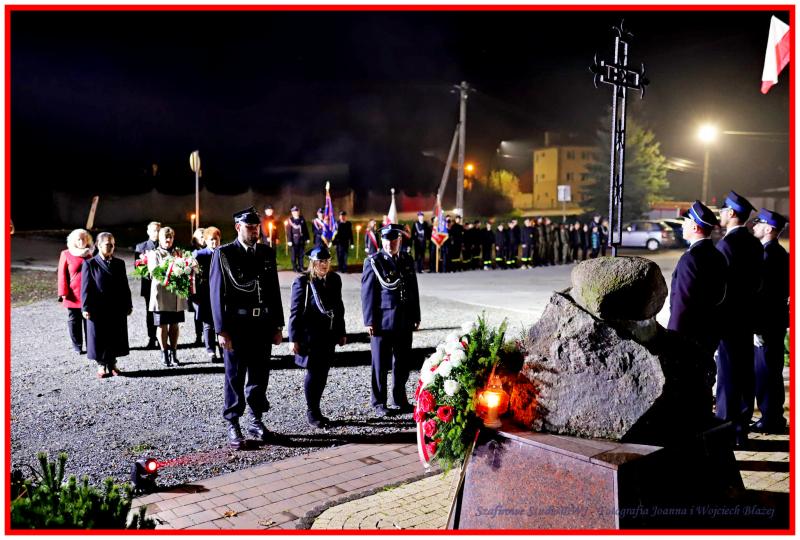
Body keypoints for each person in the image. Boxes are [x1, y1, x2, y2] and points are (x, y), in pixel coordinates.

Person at [210, 207, 285, 449]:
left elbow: (273, 290)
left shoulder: (265, 252)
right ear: (238, 227)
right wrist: (221, 330)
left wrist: (278, 325)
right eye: (249, 227)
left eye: (256, 227)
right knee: (235, 376)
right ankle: (233, 422)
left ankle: (256, 419)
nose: (254, 231)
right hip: (237, 326)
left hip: (261, 324)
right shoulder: (224, 254)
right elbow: (216, 294)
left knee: (259, 375)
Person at [715, 190, 763, 447]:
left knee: (728, 377)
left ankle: (726, 430)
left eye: (723, 210)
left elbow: (720, 288)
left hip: (728, 320)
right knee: (745, 374)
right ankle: (741, 429)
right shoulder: (754, 243)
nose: (720, 215)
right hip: (748, 318)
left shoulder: (726, 245)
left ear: (731, 213)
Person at [361, 224, 421, 417]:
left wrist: (416, 315)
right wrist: (369, 321)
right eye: (386, 241)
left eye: (393, 241)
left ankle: (399, 398)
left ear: (399, 241)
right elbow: (367, 293)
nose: (390, 244)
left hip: (404, 320)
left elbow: (413, 289)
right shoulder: (374, 261)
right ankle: (379, 402)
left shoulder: (406, 259)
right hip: (382, 322)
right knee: (380, 363)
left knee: (402, 363)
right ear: (382, 241)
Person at [288, 246, 346, 428]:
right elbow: (295, 311)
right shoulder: (303, 282)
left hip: (328, 335)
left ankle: (317, 409)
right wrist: (293, 338)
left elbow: (339, 308)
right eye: (320, 261)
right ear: (313, 263)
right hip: (310, 337)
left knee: (323, 374)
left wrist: (341, 332)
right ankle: (312, 411)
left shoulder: (334, 279)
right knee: (314, 373)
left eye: (327, 261)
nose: (324, 264)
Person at [751, 209, 789, 434]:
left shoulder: (768, 254)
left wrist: (758, 327)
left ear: (769, 228)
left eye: (759, 223)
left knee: (766, 372)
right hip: (775, 321)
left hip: (767, 323)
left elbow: (763, 295)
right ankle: (774, 416)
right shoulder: (778, 252)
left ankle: (770, 418)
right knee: (771, 370)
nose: (754, 226)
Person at [81, 232, 132, 378]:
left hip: (116, 307)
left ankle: (112, 364)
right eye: (108, 244)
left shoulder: (119, 263)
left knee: (115, 335)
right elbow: (85, 287)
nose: (111, 247)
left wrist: (128, 304)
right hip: (98, 307)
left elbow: (124, 286)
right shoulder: (90, 264)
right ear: (98, 245)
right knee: (99, 336)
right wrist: (85, 307)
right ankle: (101, 364)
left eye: (113, 245)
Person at [147, 226, 187, 367]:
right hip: (161, 295)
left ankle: (173, 354)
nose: (168, 240)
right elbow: (154, 272)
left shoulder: (179, 253)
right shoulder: (154, 254)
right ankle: (164, 354)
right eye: (166, 237)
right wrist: (170, 268)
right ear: (160, 239)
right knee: (162, 325)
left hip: (176, 295)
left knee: (175, 325)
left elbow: (185, 270)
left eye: (171, 237)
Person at [57, 228, 94, 354]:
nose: (81, 241)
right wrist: (63, 292)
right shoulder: (66, 254)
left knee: (89, 320)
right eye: (78, 239)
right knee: (74, 321)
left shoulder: (90, 254)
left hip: (88, 293)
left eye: (84, 239)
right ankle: (77, 346)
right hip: (73, 294)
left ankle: (91, 346)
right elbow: (62, 274)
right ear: (73, 241)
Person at [192, 226, 223, 363]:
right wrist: (194, 295)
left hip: (221, 293)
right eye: (211, 240)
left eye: (216, 239)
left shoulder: (224, 253)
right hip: (205, 294)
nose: (214, 242)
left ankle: (223, 350)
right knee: (208, 324)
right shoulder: (199, 255)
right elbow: (193, 277)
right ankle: (211, 351)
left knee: (221, 322)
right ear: (205, 240)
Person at [134, 221, 161, 349]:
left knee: (162, 311)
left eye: (158, 230)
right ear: (148, 232)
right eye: (154, 230)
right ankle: (152, 338)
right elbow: (138, 267)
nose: (156, 233)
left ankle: (162, 338)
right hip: (148, 285)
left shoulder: (164, 245)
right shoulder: (141, 247)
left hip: (163, 285)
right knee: (150, 312)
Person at [189, 228, 206, 345]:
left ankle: (207, 335)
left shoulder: (209, 250)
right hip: (196, 288)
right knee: (198, 312)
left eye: (205, 237)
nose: (203, 239)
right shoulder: (192, 252)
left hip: (206, 287)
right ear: (195, 240)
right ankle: (198, 335)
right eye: (201, 237)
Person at [287, 205, 310, 273]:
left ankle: (301, 267)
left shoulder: (302, 219)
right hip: (294, 240)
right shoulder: (290, 220)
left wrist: (307, 238)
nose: (295, 213)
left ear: (298, 212)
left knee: (301, 255)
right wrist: (289, 240)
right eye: (294, 212)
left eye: (296, 211)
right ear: (292, 213)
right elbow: (288, 231)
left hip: (301, 239)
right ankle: (295, 267)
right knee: (294, 255)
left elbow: (305, 229)